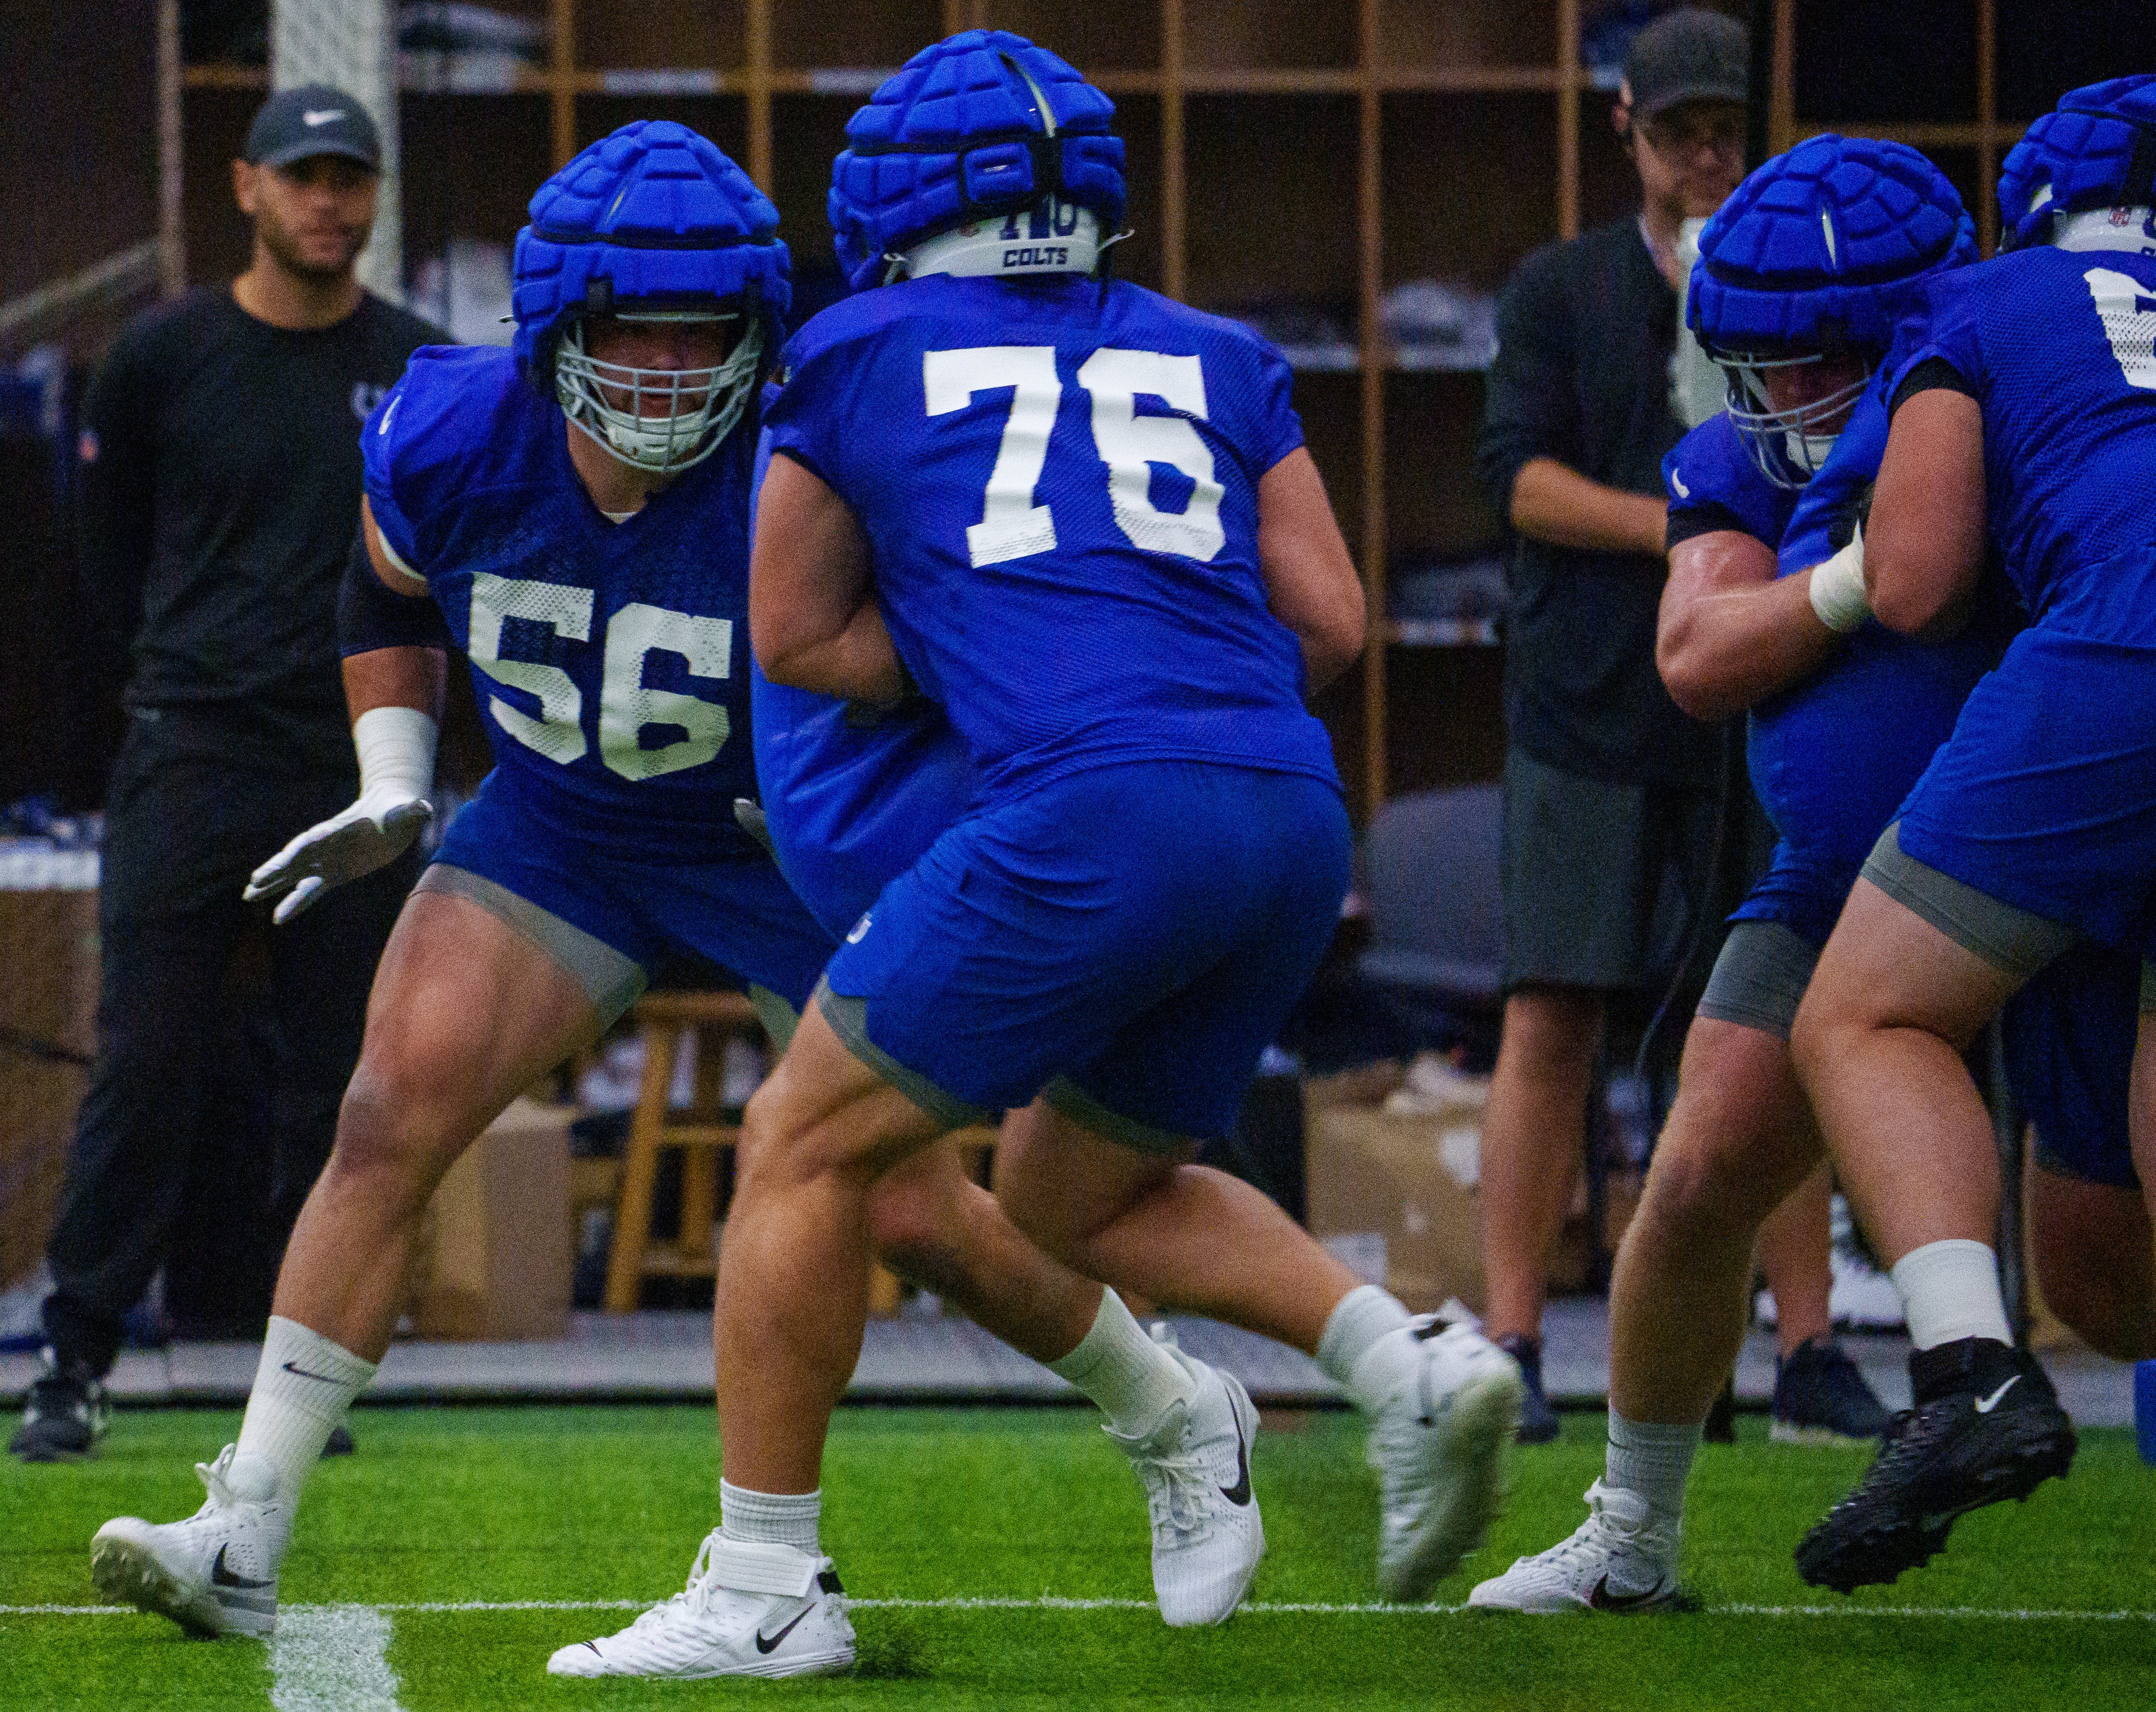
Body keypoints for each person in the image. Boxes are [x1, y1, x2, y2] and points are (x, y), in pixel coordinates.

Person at [83, 120, 1204, 1645]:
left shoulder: (826, 446)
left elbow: (948, 658)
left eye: (706, 338)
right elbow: (383, 580)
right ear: (555, 328)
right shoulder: (449, 427)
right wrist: (397, 771)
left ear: (765, 331)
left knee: (919, 1210)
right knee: (384, 1108)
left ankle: (1171, 1410)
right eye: (635, 333)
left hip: (779, 836)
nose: (671, 372)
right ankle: (246, 1526)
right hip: (564, 825)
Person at [554, 32, 1519, 1680]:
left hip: (1086, 808)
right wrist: (1138, 666)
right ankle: (1407, 1359)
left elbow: (790, 634)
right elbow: (1336, 622)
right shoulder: (1214, 350)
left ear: (901, 206)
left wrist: (993, 654)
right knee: (1073, 1190)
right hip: (1284, 808)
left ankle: (763, 1581)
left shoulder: (854, 353)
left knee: (798, 1142)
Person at [1787, 75, 2156, 1661]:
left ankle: (1968, 1376)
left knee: (1862, 1020)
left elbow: (1922, 577)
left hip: (2154, 620)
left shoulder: (1996, 291)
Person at [12, 86, 447, 1462]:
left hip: (359, 759)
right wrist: (179, 676)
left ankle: (297, 1387)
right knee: (149, 1054)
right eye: (307, 176)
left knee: (349, 1085)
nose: (332, 202)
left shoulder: (424, 370)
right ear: (247, 187)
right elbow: (104, 557)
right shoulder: (161, 357)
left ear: (377, 197)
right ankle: (72, 1360)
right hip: (192, 751)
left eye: (353, 178)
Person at [1473, 5, 1851, 1441]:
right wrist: (1692, 531)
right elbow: (1516, 486)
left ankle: (1807, 1347)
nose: (1704, 153)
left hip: (1756, 697)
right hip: (1589, 702)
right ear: (1622, 122)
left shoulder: (1799, 288)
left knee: (1776, 1014)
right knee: (1550, 1011)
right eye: (1679, 126)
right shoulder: (1560, 290)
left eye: (1723, 127)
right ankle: (1511, 1337)